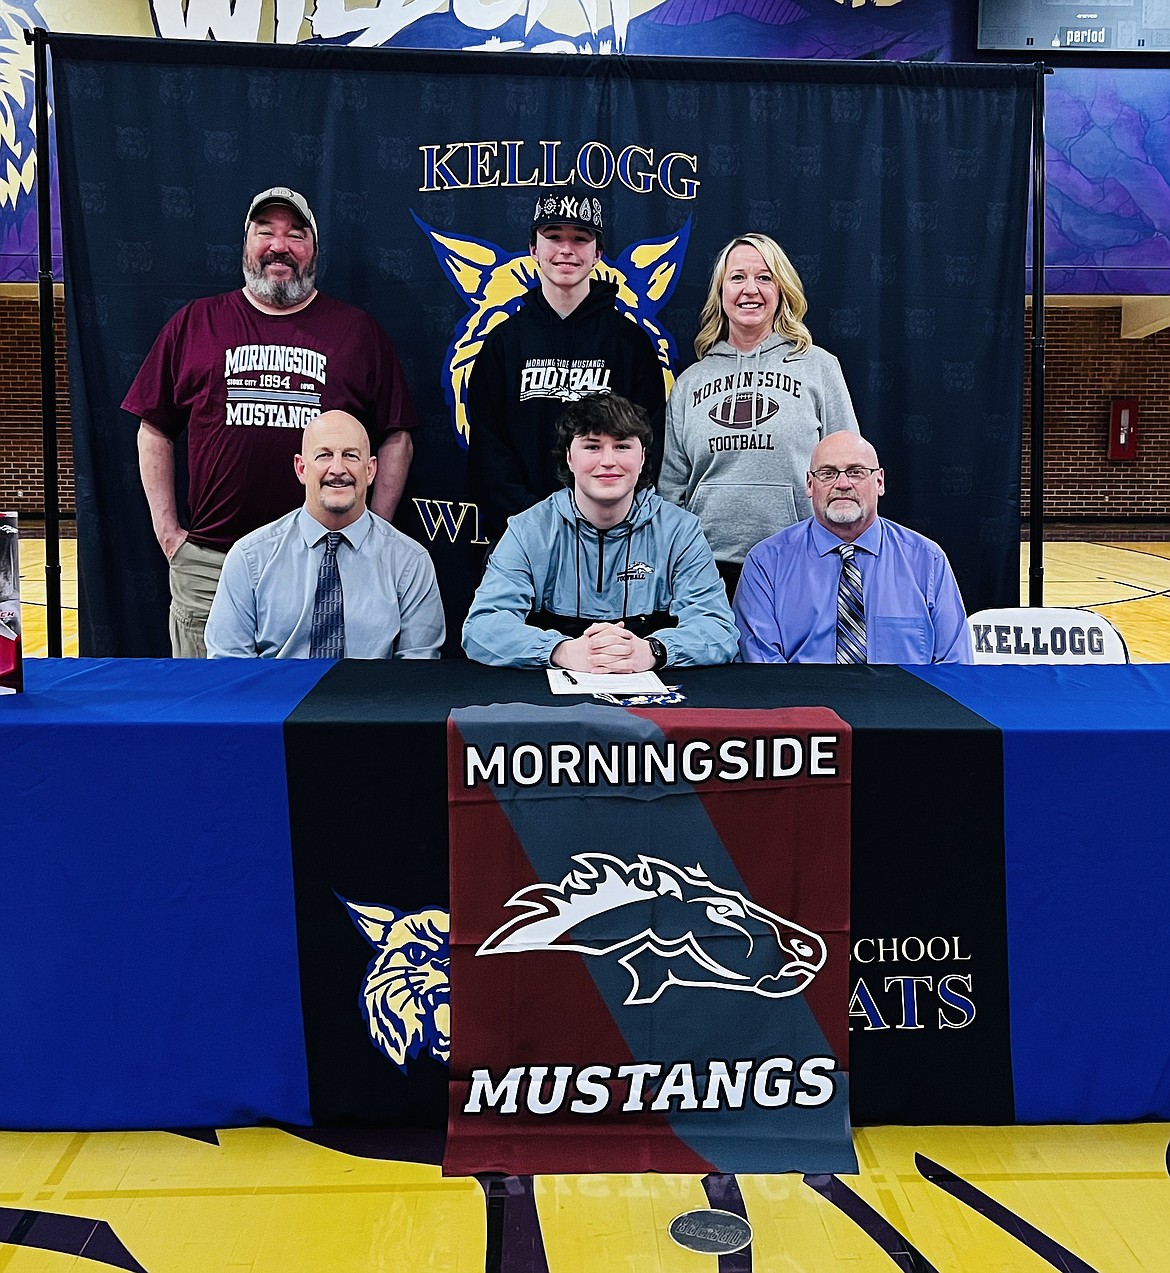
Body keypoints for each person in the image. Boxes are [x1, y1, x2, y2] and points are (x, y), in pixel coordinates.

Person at [124, 186, 418, 658]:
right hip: (212, 563)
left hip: (328, 560)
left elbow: (396, 434)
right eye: (266, 232)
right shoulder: (195, 324)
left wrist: (374, 528)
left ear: (314, 251)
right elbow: (153, 427)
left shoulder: (357, 331)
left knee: (318, 714)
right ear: (246, 245)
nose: (280, 245)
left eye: (296, 235)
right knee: (212, 717)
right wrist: (170, 534)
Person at [463, 394, 738, 671]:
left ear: (642, 457)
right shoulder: (528, 530)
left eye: (622, 446)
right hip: (552, 699)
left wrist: (653, 650)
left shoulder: (680, 531)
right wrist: (560, 651)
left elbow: (718, 629)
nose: (608, 461)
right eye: (592, 446)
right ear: (569, 457)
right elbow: (482, 627)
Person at [659, 233, 858, 596]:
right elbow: (672, 488)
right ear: (720, 292)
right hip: (706, 568)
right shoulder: (690, 382)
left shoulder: (819, 368)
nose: (750, 289)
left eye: (764, 277)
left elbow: (849, 469)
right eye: (737, 277)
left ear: (781, 289)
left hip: (800, 560)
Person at [466, 188, 666, 541]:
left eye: (580, 238)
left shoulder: (630, 343)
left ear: (598, 253)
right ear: (533, 249)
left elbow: (648, 443)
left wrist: (604, 515)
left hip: (611, 534)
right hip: (523, 536)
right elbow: (488, 449)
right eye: (553, 237)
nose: (566, 249)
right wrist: (535, 521)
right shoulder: (504, 343)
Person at [206, 411, 443, 660]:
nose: (338, 469)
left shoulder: (410, 562)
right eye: (324, 455)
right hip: (277, 698)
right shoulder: (249, 558)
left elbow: (418, 676)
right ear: (301, 468)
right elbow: (229, 667)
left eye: (351, 455)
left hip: (374, 699)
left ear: (371, 470)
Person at [733, 432, 972, 664]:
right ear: (809, 484)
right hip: (802, 703)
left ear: (879, 482)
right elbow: (761, 669)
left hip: (901, 704)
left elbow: (955, 667)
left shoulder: (927, 561)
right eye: (827, 473)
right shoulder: (766, 563)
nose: (843, 484)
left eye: (856, 472)